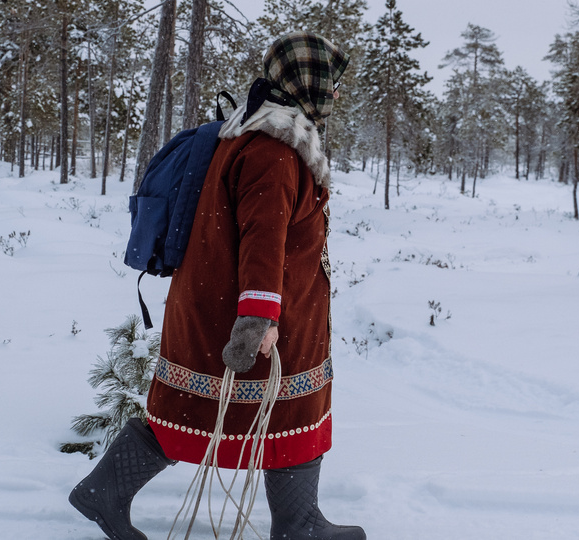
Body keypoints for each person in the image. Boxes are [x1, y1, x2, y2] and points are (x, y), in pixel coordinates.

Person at [69, 32, 366, 540]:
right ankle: (299, 526)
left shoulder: (254, 135)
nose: (336, 95)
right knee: (273, 406)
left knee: (201, 408)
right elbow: (263, 239)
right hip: (252, 311)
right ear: (306, 85)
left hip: (215, 299)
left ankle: (108, 491)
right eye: (330, 85)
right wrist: (259, 317)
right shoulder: (275, 153)